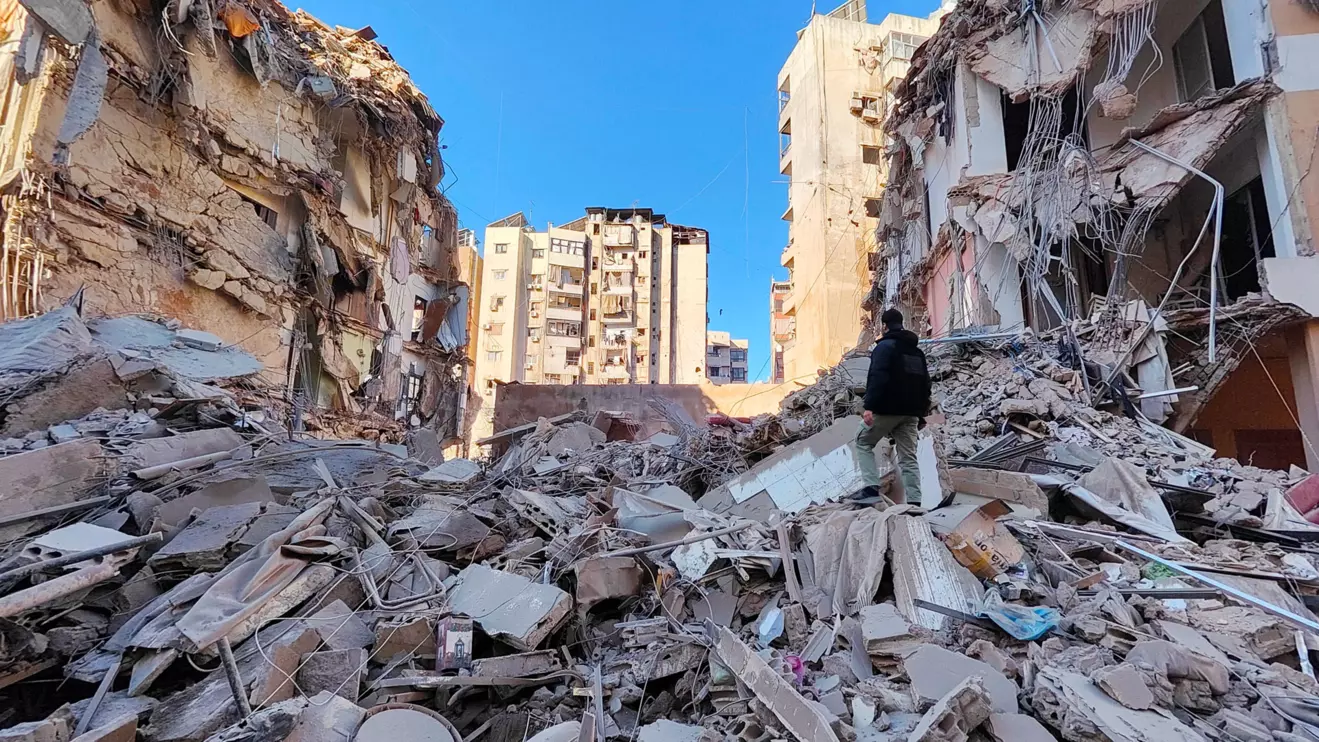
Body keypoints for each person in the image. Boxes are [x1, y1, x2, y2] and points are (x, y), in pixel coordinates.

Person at [855, 307, 931, 503]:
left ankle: (871, 489)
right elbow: (925, 384)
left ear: (884, 326)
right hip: (911, 413)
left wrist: (869, 406)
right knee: (908, 457)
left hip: (887, 410)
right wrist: (921, 413)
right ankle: (914, 502)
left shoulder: (884, 348)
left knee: (863, 442)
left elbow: (877, 376)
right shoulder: (917, 352)